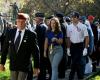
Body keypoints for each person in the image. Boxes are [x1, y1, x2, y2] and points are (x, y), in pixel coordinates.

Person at [0, 13, 40, 80]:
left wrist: (36, 67)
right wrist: (2, 63)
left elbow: (36, 52)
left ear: (26, 22)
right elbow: (5, 48)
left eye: (22, 22)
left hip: (24, 65)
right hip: (13, 64)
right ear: (16, 22)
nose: (20, 24)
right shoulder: (10, 32)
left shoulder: (31, 35)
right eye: (19, 21)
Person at [67, 12, 89, 80]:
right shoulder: (69, 26)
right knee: (74, 63)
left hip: (80, 46)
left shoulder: (83, 26)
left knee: (77, 63)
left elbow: (87, 37)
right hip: (72, 46)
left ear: (77, 18)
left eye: (73, 17)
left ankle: (73, 77)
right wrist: (68, 48)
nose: (72, 18)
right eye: (72, 17)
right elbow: (68, 38)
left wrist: (85, 48)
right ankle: (79, 77)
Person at [34, 12, 48, 80]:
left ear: (39, 19)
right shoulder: (45, 26)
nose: (35, 20)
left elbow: (38, 40)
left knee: (41, 65)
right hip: (44, 49)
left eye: (36, 18)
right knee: (43, 66)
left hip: (40, 49)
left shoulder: (39, 27)